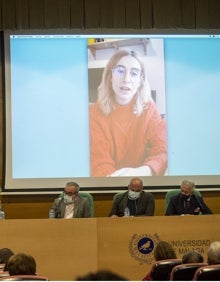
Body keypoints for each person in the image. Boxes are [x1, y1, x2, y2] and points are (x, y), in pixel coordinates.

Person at [90, 49, 167, 177]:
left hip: (141, 182)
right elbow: (99, 162)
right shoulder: (95, 113)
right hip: (111, 183)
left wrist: (142, 172)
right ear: (110, 77)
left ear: (140, 81)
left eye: (134, 73)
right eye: (120, 71)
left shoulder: (149, 109)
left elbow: (161, 151)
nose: (126, 79)